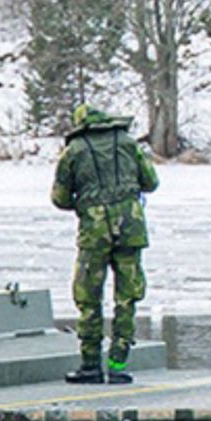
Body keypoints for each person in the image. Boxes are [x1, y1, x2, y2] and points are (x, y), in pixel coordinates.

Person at [50, 104, 159, 383]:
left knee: (88, 298)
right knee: (127, 297)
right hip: (130, 228)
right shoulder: (127, 143)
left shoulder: (73, 151)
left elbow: (59, 198)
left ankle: (90, 365)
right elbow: (151, 181)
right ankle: (118, 365)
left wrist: (85, 202)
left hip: (94, 233)